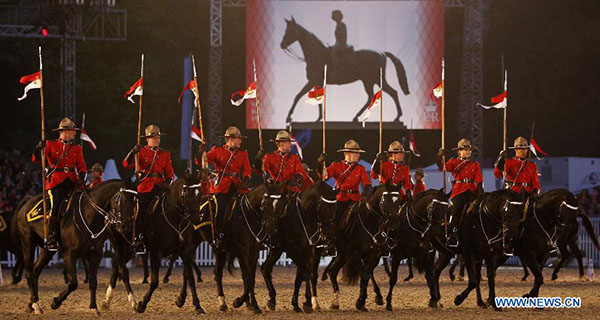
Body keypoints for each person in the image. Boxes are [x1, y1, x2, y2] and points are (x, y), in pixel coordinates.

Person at [32, 118, 87, 251]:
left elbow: (81, 166)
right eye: (73, 131)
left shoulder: (77, 148)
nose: (74, 133)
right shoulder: (50, 145)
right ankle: (52, 236)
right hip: (56, 181)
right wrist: (38, 148)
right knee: (55, 206)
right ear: (65, 132)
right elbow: (36, 159)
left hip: (73, 182)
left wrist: (82, 175)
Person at [123, 124, 174, 254]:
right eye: (153, 137)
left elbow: (169, 173)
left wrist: (168, 183)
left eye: (158, 137)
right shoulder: (141, 151)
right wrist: (132, 152)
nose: (156, 139)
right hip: (145, 186)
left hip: (160, 186)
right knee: (141, 210)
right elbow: (126, 165)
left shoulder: (165, 154)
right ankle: (138, 238)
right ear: (147, 139)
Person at [199, 126, 252, 251]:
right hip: (221, 186)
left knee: (249, 207)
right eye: (239, 139)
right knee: (220, 208)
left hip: (237, 186)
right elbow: (204, 162)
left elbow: (247, 170)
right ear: (231, 140)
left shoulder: (243, 154)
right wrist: (202, 153)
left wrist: (246, 179)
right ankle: (219, 234)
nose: (240, 142)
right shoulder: (217, 150)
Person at [317, 139, 372, 255]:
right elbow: (324, 176)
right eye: (356, 153)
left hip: (355, 199)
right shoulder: (336, 166)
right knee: (333, 219)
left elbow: (366, 183)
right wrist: (320, 164)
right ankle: (331, 243)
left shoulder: (360, 168)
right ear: (348, 154)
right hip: (340, 197)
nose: (359, 155)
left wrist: (367, 190)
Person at [437, 138, 483, 247]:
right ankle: (453, 233)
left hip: (472, 191)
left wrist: (480, 188)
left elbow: (478, 178)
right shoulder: (454, 162)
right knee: (456, 208)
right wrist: (440, 157)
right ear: (459, 152)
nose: (468, 152)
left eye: (469, 150)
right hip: (459, 191)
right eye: (465, 150)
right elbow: (443, 167)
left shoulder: (475, 164)